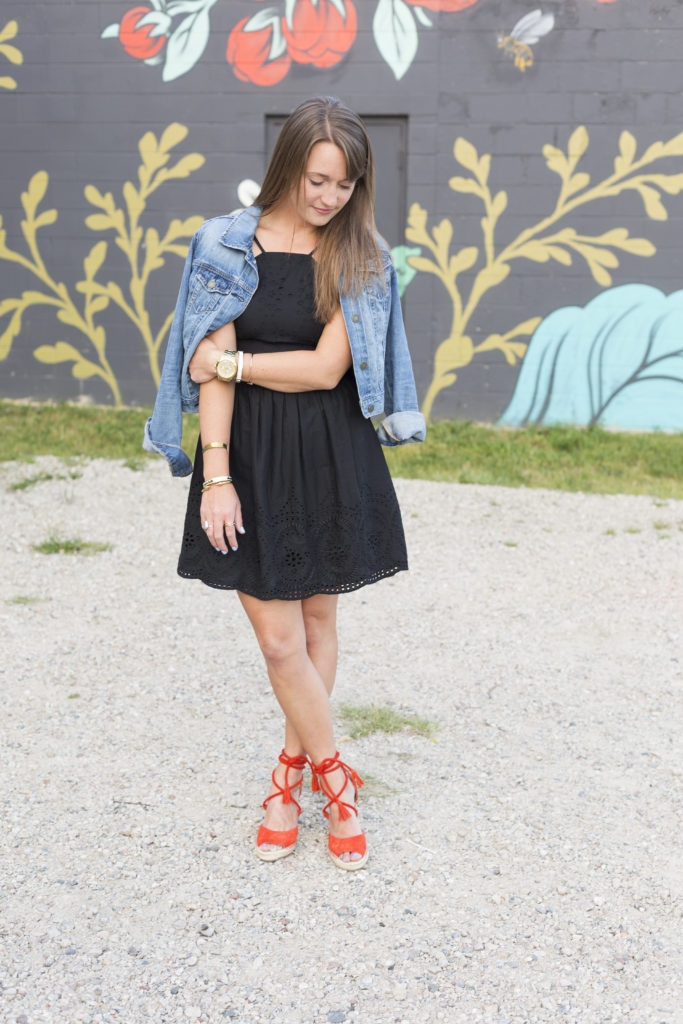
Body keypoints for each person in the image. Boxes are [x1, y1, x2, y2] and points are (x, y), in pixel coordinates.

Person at [144, 96, 426, 870]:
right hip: (250, 455)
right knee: (277, 640)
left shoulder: (361, 254)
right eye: (316, 180)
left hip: (331, 447)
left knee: (316, 623)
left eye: (344, 184)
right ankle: (334, 775)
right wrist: (216, 478)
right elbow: (209, 382)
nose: (329, 197)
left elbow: (325, 369)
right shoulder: (223, 244)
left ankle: (288, 774)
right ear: (287, 167)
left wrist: (229, 362)